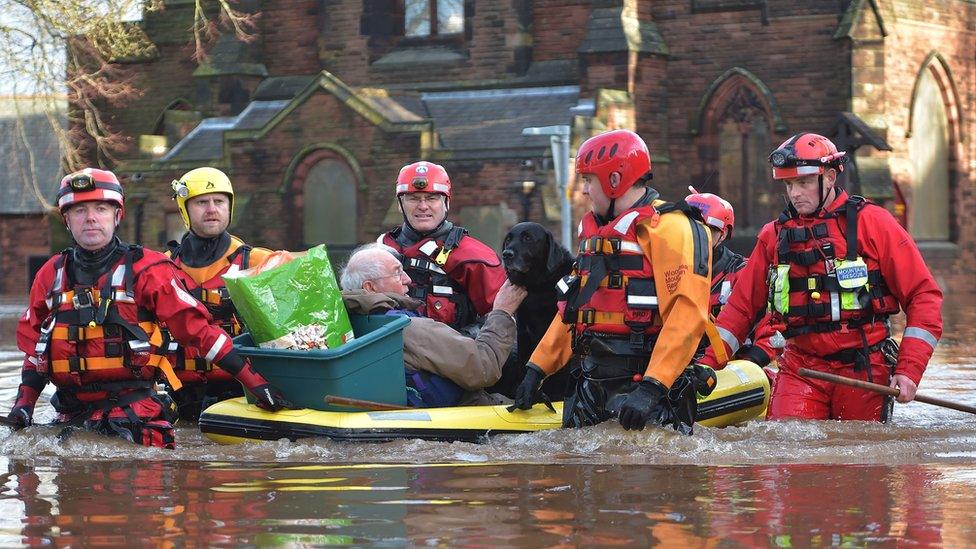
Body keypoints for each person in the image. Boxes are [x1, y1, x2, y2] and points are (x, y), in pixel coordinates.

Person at [8, 168, 289, 448]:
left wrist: (255, 383)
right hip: (68, 416)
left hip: (135, 417)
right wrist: (24, 404)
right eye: (80, 210)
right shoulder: (50, 275)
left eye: (101, 208)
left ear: (117, 215)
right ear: (66, 219)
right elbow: (36, 346)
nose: (91, 218)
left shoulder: (148, 269)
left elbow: (198, 330)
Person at [697, 133, 943, 421]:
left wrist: (908, 370)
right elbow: (740, 310)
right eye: (789, 185)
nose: (795, 193)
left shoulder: (874, 224)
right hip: (800, 368)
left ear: (829, 177)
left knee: (861, 461)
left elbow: (923, 296)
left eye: (802, 183)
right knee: (782, 454)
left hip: (863, 369)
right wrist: (705, 367)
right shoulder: (773, 237)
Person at [511, 129, 718, 432]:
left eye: (588, 180)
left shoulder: (672, 229)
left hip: (648, 387)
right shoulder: (596, 233)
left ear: (614, 180)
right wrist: (536, 368)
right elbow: (575, 309)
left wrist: (653, 386)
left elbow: (687, 315)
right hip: (591, 382)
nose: (583, 190)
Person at [339, 243, 526, 407]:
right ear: (370, 288)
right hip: (463, 412)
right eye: (397, 273)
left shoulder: (349, 322)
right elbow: (484, 368)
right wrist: (503, 312)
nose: (408, 279)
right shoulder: (406, 327)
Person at [164, 167, 274, 421]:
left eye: (219, 202)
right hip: (181, 393)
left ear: (229, 207)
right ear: (185, 209)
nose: (212, 209)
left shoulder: (258, 261)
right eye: (202, 202)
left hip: (241, 391)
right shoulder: (162, 268)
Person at [378, 161, 507, 333]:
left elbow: (502, 320)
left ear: (446, 202)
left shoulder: (476, 258)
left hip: (454, 356)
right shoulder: (381, 249)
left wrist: (464, 342)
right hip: (390, 354)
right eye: (413, 198)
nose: (423, 206)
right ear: (399, 204)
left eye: (432, 198)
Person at [684, 189, 779, 372]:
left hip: (736, 368)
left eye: (705, 230)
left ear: (723, 234)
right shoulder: (668, 269)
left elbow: (773, 325)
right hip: (685, 364)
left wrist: (752, 362)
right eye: (688, 229)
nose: (694, 237)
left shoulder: (741, 273)